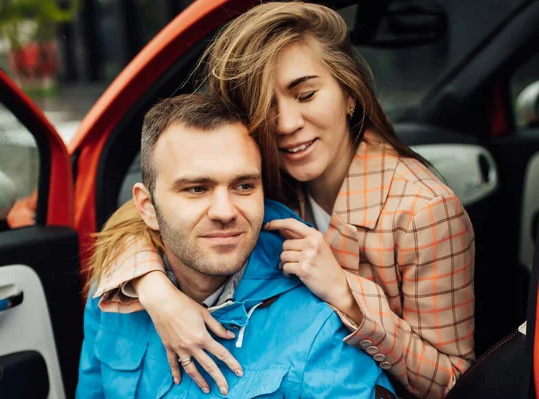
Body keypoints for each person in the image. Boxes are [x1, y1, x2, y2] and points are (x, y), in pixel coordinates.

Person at [92, 3, 476, 398]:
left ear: (350, 94)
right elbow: (137, 222)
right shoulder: (259, 177)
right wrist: (158, 293)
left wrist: (347, 296)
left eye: (305, 94)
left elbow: (457, 383)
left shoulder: (423, 212)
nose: (287, 124)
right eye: (265, 106)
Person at [77, 93, 396, 398]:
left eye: (243, 186)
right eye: (196, 189)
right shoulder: (113, 298)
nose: (225, 212)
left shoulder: (318, 334)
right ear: (147, 208)